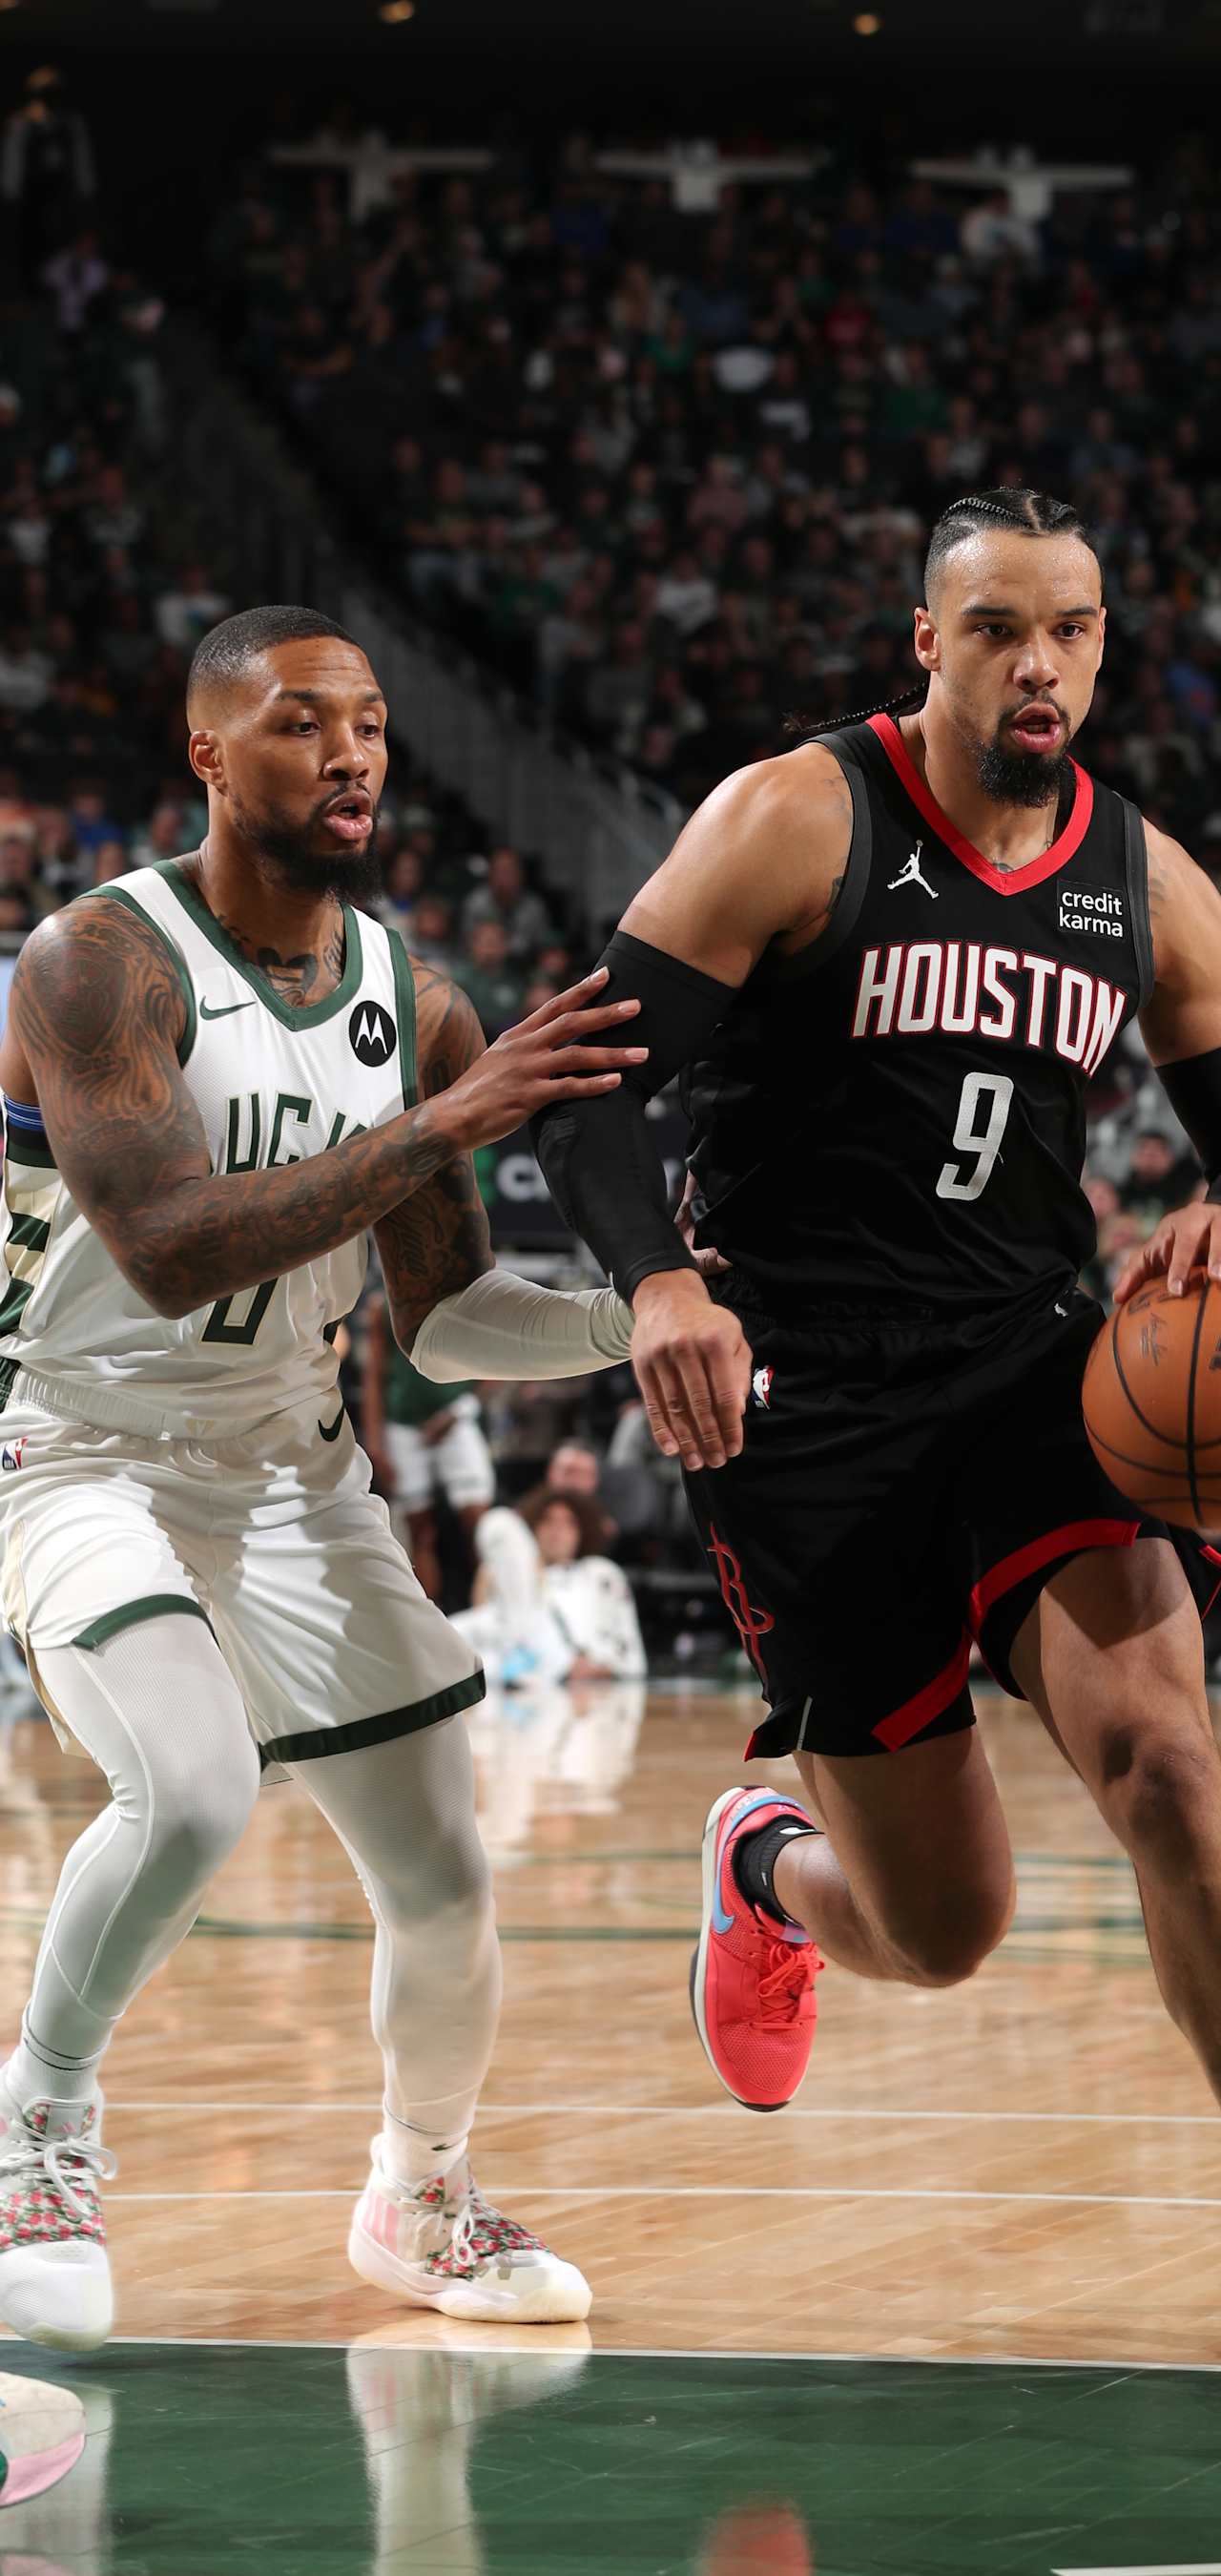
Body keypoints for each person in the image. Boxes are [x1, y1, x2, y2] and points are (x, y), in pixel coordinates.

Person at [532, 489, 1221, 2407]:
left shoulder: (1151, 881)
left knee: (1172, 1767)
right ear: (927, 647)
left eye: (1075, 630)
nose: (1042, 662)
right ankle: (770, 1874)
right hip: (807, 1410)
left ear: (1104, 650)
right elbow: (594, 1072)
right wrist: (657, 1284)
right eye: (1000, 629)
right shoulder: (800, 816)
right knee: (948, 1936)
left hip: (1042, 1374)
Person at [0, 604, 649, 2353]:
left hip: (291, 1475)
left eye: (368, 722)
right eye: (301, 723)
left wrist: (634, 1323)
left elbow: (448, 1324)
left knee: (445, 1871)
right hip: (80, 1455)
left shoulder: (413, 1001)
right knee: (193, 1790)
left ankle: (417, 2193)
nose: (351, 753)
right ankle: (38, 2131)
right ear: (207, 754)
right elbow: (165, 1251)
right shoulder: (94, 962)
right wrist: (446, 1124)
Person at [362, 1286, 496, 1601]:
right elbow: (373, 1376)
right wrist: (376, 1444)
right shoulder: (383, 1305)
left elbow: (501, 1369)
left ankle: (494, 1604)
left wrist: (457, 1411)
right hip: (404, 1426)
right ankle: (429, 1618)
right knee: (418, 1530)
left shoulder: (471, 1292)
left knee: (478, 1520)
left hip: (456, 1420)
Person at [452, 1487, 647, 1686]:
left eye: (568, 1523)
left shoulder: (599, 1572)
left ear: (580, 1533)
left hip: (580, 1662)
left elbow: (624, 1636)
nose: (557, 1530)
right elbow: (492, 1623)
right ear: (533, 1529)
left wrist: (593, 1663)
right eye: (548, 1521)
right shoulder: (508, 1571)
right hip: (520, 1651)